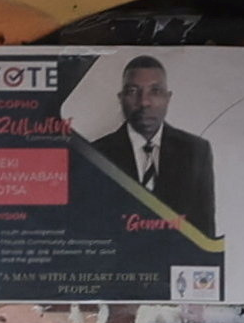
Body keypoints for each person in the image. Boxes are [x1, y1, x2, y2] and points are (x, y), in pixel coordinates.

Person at [89, 53, 217, 234]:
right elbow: (90, 230)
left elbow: (204, 234)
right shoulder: (95, 155)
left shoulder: (196, 152)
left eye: (155, 91)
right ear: (120, 98)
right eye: (133, 91)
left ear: (168, 98)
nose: (144, 102)